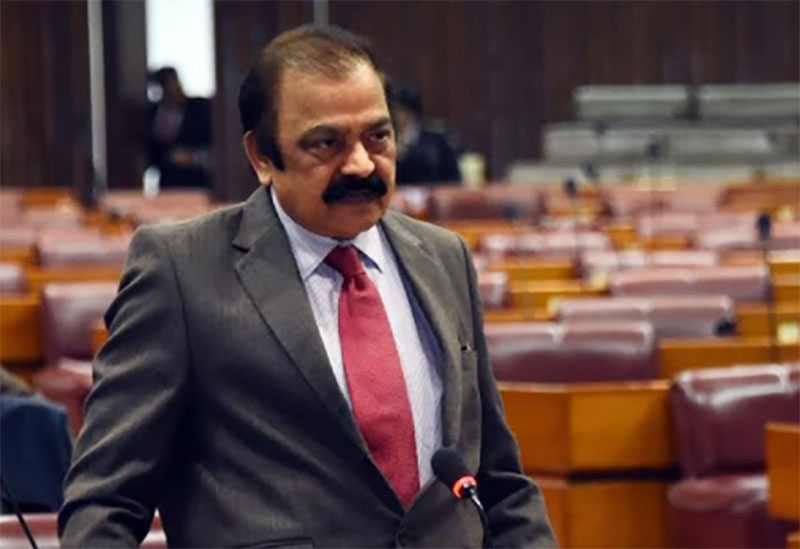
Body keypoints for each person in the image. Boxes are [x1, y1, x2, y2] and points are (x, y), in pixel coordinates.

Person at [59, 25, 555, 548]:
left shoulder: (443, 258)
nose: (361, 164)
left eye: (378, 137)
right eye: (327, 144)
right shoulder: (182, 271)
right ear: (261, 157)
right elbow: (105, 500)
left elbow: (498, 483)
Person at [146, 67, 212, 189]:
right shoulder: (152, 113)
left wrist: (193, 156)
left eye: (175, 83)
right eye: (168, 85)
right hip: (167, 180)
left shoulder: (198, 109)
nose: (174, 89)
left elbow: (210, 141)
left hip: (195, 178)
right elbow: (149, 148)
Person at [392, 87, 462, 185]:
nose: (394, 116)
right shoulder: (391, 138)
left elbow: (451, 177)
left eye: (397, 111)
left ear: (409, 113)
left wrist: (407, 155)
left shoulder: (435, 141)